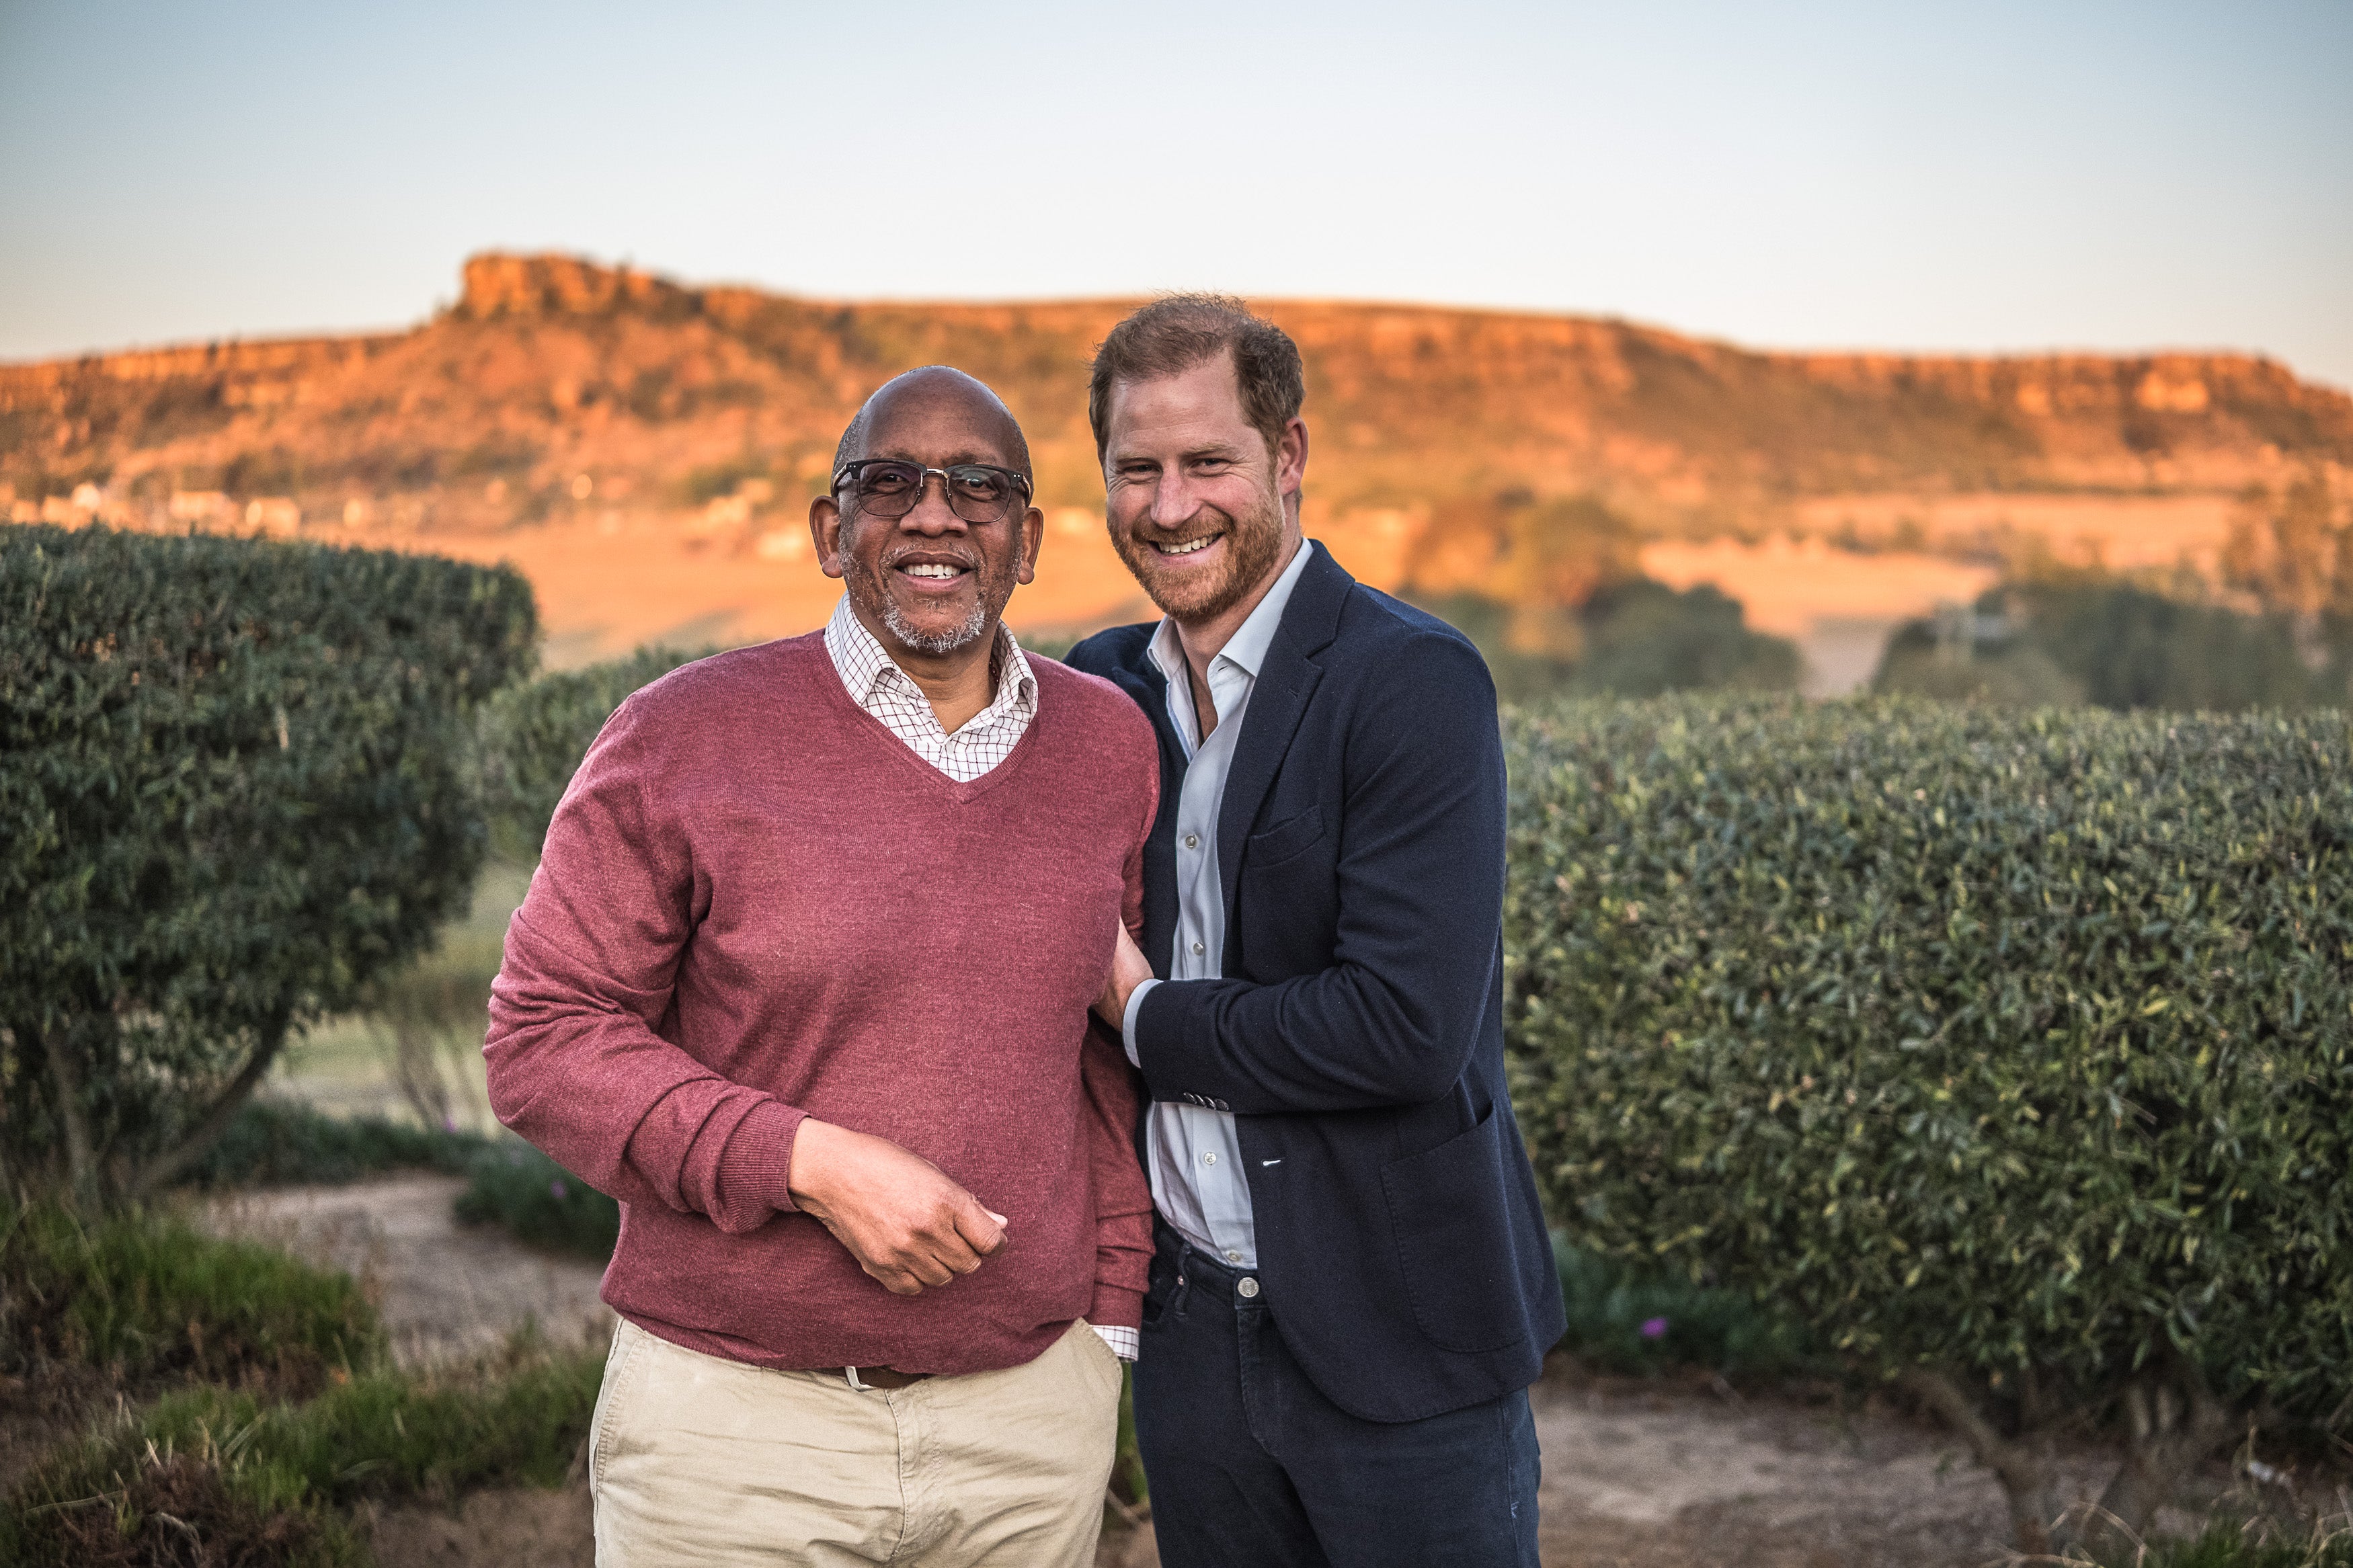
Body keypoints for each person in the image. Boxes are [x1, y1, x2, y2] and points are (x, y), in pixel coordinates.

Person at [485, 366, 1158, 1567]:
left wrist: (1105, 1325)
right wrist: (809, 1161)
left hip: (1028, 1434)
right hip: (736, 1434)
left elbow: (1103, 1054)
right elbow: (542, 1039)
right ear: (827, 529)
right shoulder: (684, 733)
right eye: (888, 480)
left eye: (982, 487)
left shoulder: (1108, 745)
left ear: (1032, 540)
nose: (936, 514)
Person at [1068, 297, 1566, 1567]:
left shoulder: (1412, 680)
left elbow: (1400, 1029)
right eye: (1138, 469)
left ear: (1288, 458)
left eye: (1208, 462)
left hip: (1398, 1329)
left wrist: (1145, 1013)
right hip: (1187, 1337)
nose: (1171, 504)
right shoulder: (1096, 690)